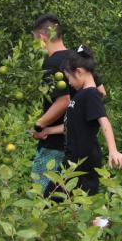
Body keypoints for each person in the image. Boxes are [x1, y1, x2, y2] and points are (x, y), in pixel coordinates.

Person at [35, 46, 122, 197]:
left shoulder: (91, 94)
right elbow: (71, 126)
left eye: (69, 78)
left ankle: (104, 221)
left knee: (53, 198)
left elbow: (104, 121)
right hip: (73, 158)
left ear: (79, 72)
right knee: (75, 202)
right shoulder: (80, 96)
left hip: (84, 159)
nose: (69, 83)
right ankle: (102, 220)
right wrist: (47, 131)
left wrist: (113, 150)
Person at [28, 14, 104, 190]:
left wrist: (39, 126)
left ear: (41, 37)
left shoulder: (51, 63)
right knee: (79, 199)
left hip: (55, 144)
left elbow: (63, 101)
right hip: (82, 146)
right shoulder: (77, 60)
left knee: (43, 197)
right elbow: (100, 92)